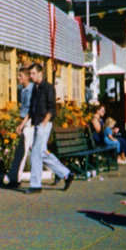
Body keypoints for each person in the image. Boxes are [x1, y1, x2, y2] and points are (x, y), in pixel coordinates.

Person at [17, 64, 74, 194]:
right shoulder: (35, 89)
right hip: (37, 123)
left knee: (36, 154)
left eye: (33, 73)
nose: (31, 76)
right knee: (41, 152)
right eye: (30, 74)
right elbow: (31, 110)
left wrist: (44, 123)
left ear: (40, 73)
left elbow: (52, 108)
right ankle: (66, 174)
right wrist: (22, 124)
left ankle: (35, 185)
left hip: (44, 124)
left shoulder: (48, 88)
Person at [6, 67, 34, 188]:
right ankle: (61, 172)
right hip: (24, 121)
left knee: (23, 151)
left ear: (27, 77)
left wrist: (22, 123)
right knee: (24, 151)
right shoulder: (23, 90)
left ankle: (15, 178)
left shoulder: (31, 90)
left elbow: (31, 109)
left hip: (29, 122)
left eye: (21, 76)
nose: (18, 78)